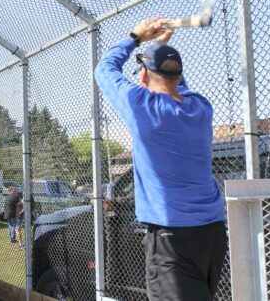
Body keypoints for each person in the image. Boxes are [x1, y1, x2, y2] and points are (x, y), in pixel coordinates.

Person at [94, 18, 226, 301]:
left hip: (172, 238)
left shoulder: (141, 106)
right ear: (178, 76)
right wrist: (159, 47)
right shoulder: (200, 108)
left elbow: (104, 69)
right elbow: (177, 85)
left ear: (142, 78)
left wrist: (136, 37)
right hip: (213, 235)